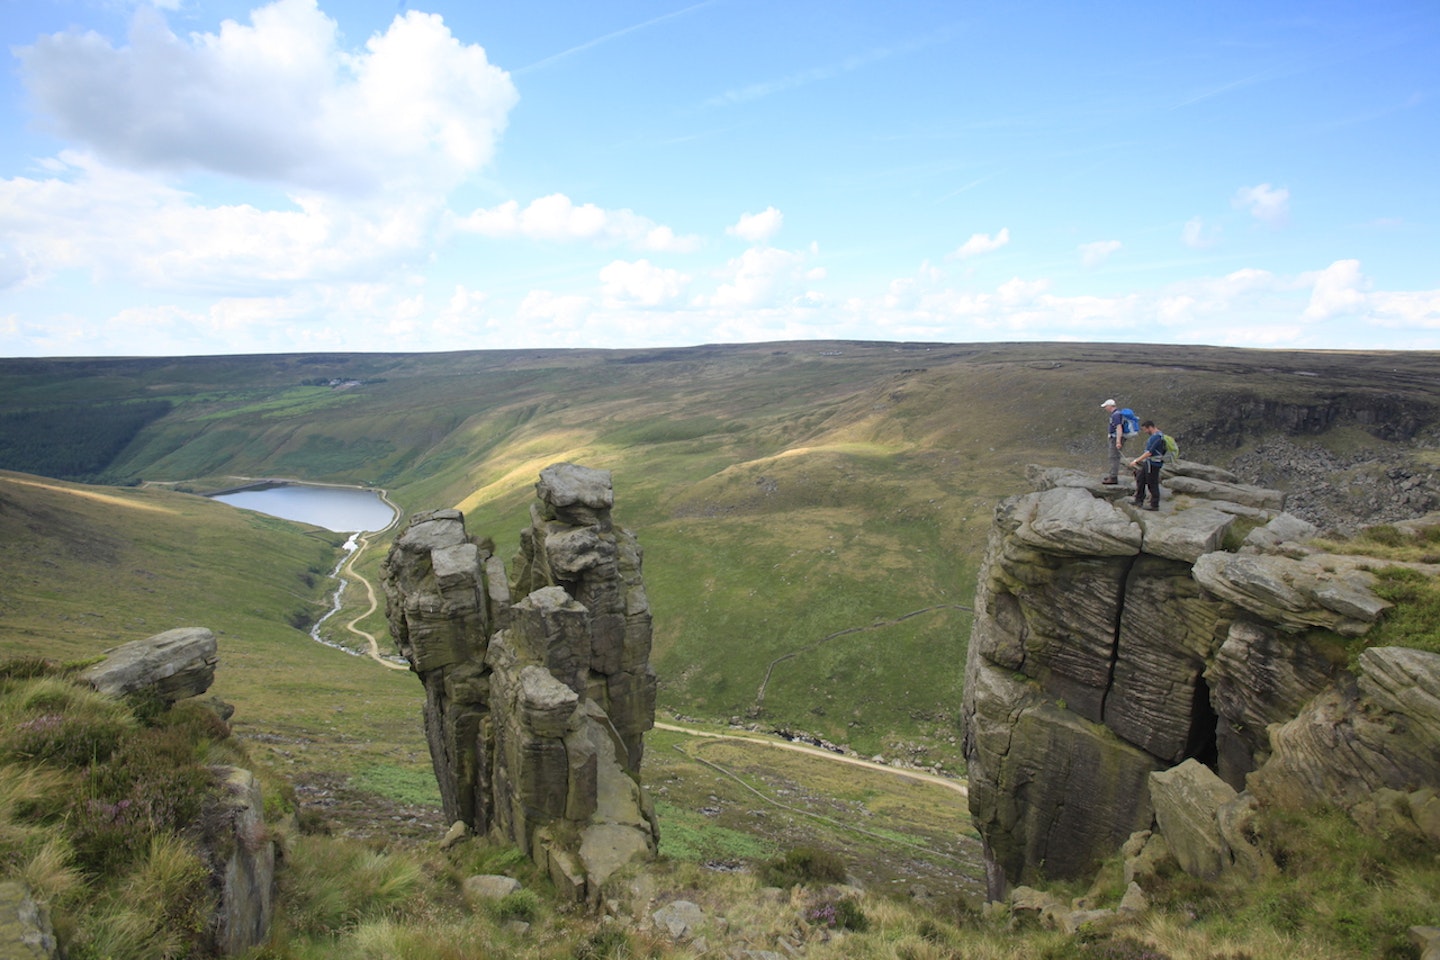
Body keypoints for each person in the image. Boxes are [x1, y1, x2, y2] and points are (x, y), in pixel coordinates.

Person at [1129, 420, 1167, 510]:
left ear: (1150, 427)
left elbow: (1149, 452)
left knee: (1152, 483)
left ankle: (1154, 505)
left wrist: (1136, 460)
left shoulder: (1157, 437)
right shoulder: (1156, 436)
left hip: (1153, 464)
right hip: (1148, 463)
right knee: (1140, 479)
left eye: (1145, 429)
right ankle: (1139, 500)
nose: (1145, 432)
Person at [1100, 399, 1125, 484]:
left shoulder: (1116, 415)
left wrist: (1118, 441)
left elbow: (1119, 427)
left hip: (1115, 438)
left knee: (1113, 457)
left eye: (1106, 406)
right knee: (1114, 456)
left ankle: (1113, 477)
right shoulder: (1116, 414)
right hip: (1114, 437)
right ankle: (1112, 475)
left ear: (1110, 406)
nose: (1105, 408)